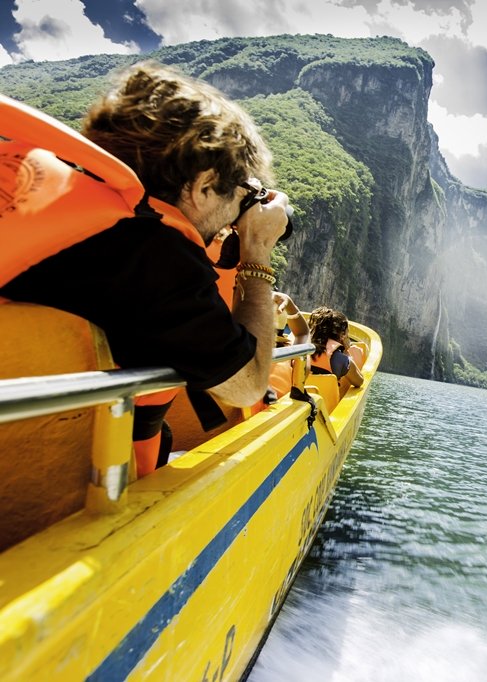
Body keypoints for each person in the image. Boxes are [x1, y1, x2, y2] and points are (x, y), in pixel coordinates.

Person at [0, 61, 290, 475]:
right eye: (245, 194)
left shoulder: (63, 199)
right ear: (205, 185)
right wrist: (258, 250)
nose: (238, 214)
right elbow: (247, 387)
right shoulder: (151, 252)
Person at [308, 306, 364, 395]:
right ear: (342, 335)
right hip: (323, 405)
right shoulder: (341, 359)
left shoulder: (304, 347)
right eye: (347, 332)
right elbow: (359, 381)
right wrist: (346, 352)